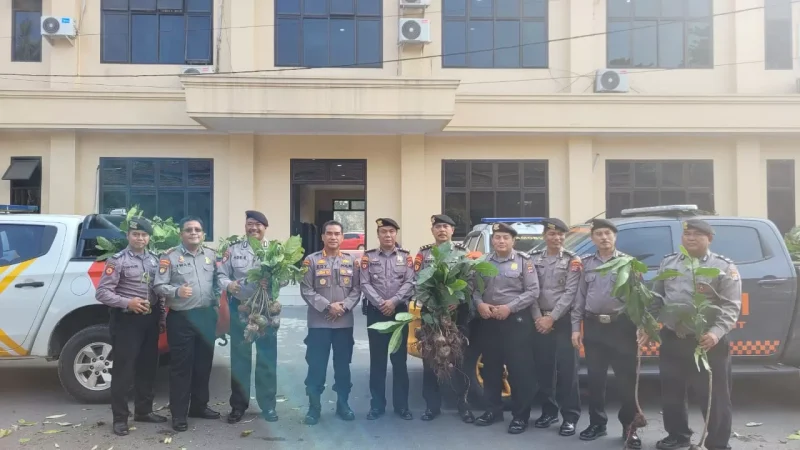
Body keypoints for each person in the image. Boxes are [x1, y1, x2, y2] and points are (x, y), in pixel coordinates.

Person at [650, 219, 741, 450]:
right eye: (687, 234)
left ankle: (717, 443)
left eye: (697, 234)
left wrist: (715, 333)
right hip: (673, 338)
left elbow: (731, 306)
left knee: (714, 396)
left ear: (709, 238)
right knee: (671, 392)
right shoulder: (669, 263)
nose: (690, 238)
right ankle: (678, 435)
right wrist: (648, 325)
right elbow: (657, 297)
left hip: (707, 342)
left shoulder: (722, 267)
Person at [570, 218, 641, 449]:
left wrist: (641, 327)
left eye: (608, 233)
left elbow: (638, 299)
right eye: (599, 234)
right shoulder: (586, 264)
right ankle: (597, 423)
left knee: (627, 380)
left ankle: (629, 427)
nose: (604, 237)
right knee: (595, 379)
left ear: (615, 237)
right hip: (594, 327)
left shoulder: (629, 263)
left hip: (622, 328)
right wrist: (575, 328)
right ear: (592, 238)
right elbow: (579, 298)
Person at [95, 217, 167, 436]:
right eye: (136, 234)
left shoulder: (155, 261)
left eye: (144, 235)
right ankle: (120, 418)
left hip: (150, 320)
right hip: (127, 321)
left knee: (148, 367)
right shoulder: (118, 261)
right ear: (128, 236)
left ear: (149, 238)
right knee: (124, 371)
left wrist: (161, 318)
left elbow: (158, 293)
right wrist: (128, 303)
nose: (140, 238)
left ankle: (144, 411)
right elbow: (102, 293)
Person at [154, 216, 221, 432]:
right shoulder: (169, 257)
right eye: (189, 229)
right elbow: (158, 285)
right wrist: (176, 291)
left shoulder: (211, 255)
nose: (194, 233)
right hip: (181, 318)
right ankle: (179, 414)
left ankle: (199, 407)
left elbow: (218, 282)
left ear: (203, 234)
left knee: (203, 365)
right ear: (181, 234)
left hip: (206, 316)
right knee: (181, 367)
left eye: (197, 230)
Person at [472, 222, 539, 435]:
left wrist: (509, 308)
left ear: (513, 241)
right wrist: (480, 304)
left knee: (519, 370)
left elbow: (533, 291)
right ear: (492, 240)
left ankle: (520, 416)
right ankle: (492, 411)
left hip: (515, 322)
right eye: (497, 237)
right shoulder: (483, 262)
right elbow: (475, 290)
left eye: (505, 238)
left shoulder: (524, 262)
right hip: (490, 321)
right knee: (491, 368)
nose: (501, 241)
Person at [217, 210, 279, 424]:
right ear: (245, 227)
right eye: (250, 224)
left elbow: (285, 278)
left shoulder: (275, 250)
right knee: (240, 358)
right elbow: (221, 274)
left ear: (265, 227)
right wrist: (229, 285)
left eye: (258, 224)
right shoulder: (233, 250)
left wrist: (272, 282)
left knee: (267, 359)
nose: (253, 228)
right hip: (241, 308)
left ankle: (268, 405)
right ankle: (238, 406)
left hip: (266, 310)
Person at [299, 220, 361, 425]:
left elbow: (357, 289)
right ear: (323, 237)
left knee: (343, 367)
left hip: (344, 323)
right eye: (329, 233)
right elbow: (306, 289)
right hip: (319, 324)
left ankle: (343, 404)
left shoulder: (351, 261)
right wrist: (328, 306)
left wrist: (343, 306)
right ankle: (314, 407)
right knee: (316, 367)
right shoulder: (311, 261)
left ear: (342, 237)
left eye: (337, 234)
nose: (333, 237)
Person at [415, 214, 475, 424]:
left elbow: (470, 281)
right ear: (432, 230)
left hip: (456, 313)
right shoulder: (424, 253)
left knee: (459, 359)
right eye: (438, 226)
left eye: (446, 227)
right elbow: (417, 281)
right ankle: (432, 406)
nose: (442, 230)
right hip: (431, 312)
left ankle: (463, 405)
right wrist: (431, 302)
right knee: (430, 358)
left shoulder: (462, 253)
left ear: (452, 231)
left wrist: (456, 301)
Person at [529, 217, 582, 437]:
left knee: (568, 371)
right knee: (544, 369)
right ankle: (549, 412)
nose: (556, 238)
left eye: (560, 234)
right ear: (544, 236)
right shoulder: (532, 259)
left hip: (563, 321)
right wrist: (538, 318)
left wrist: (551, 318)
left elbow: (571, 293)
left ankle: (570, 417)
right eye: (552, 234)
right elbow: (531, 290)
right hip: (539, 320)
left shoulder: (573, 260)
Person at [360, 218, 415, 421]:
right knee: (378, 361)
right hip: (376, 312)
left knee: (399, 361)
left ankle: (402, 406)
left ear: (396, 234)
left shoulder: (406, 257)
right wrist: (380, 303)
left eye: (391, 231)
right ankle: (377, 406)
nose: (388, 235)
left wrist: (393, 301)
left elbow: (410, 282)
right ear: (378, 235)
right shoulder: (368, 257)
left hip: (399, 313)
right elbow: (364, 283)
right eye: (384, 231)